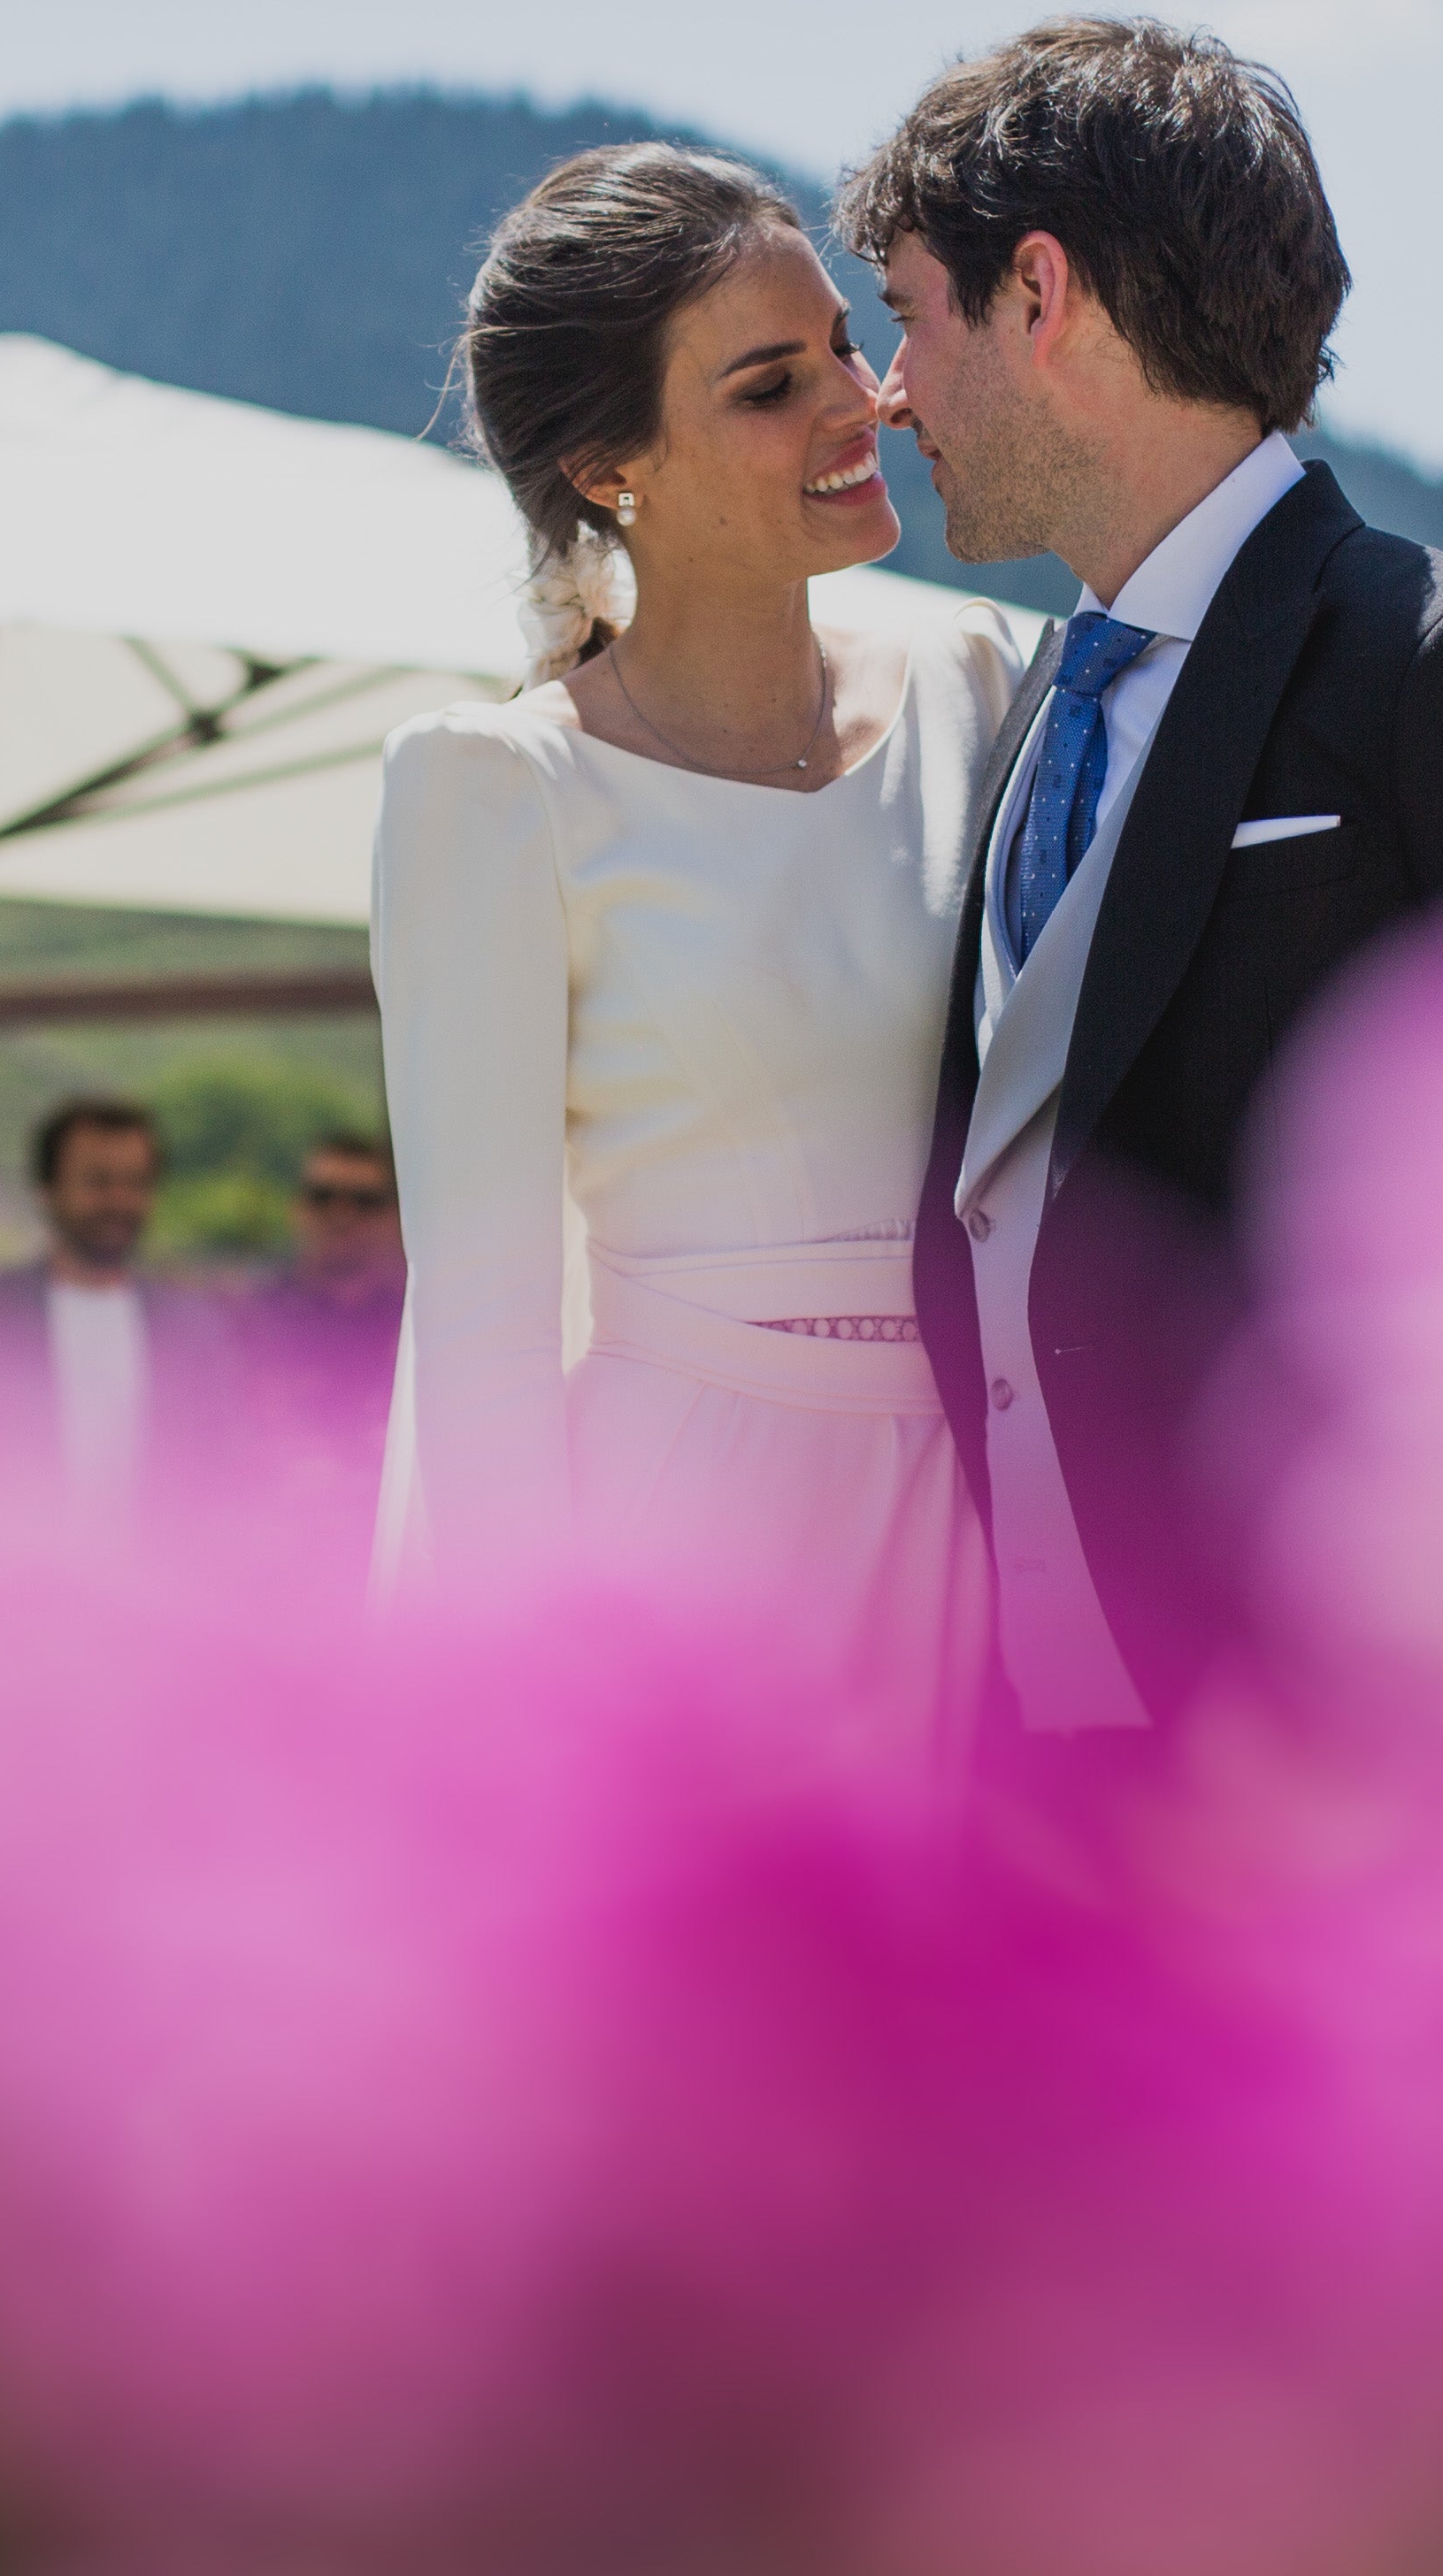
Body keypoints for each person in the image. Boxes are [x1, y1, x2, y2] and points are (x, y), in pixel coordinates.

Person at [853, 16, 1443, 1753]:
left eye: (910, 314)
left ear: (1041, 293)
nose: (888, 388)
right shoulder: (1023, 717)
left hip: (1378, 1752)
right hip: (1048, 1762)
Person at [369, 145, 1032, 1761]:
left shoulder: (984, 680)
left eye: (843, 346)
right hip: (687, 1551)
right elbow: (484, 1320)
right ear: (611, 466)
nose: (860, 403)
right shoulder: (499, 793)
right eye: (766, 384)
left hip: (989, 1516)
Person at [0, 1093, 190, 1535]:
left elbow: (227, 1478)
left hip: (161, 1597)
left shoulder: (196, 1329)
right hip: (8, 1592)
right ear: (47, 1191)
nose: (119, 1200)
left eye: (136, 1183)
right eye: (97, 1182)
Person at [242, 1131, 407, 1479]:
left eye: (364, 1201)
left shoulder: (418, 1327)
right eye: (323, 1197)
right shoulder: (248, 1323)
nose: (341, 1215)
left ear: (395, 1216)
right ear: (297, 1208)